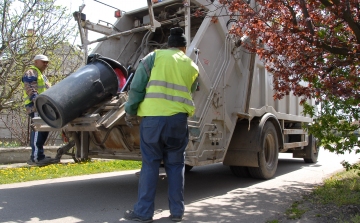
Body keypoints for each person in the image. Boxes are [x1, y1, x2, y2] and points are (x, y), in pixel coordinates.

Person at [123, 27, 199, 222]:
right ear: (183, 47)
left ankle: (143, 212)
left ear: (168, 44)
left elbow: (137, 86)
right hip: (178, 122)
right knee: (176, 165)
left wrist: (130, 110)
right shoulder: (191, 65)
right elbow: (194, 88)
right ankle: (177, 212)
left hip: (153, 121)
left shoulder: (153, 57)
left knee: (150, 165)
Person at [22, 54, 59, 166]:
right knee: (38, 130)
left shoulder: (42, 75)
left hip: (43, 107)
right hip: (36, 107)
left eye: (47, 62)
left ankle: (40, 155)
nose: (46, 64)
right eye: (43, 62)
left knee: (43, 130)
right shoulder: (31, 73)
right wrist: (37, 102)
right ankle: (36, 158)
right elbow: (30, 89)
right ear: (36, 62)